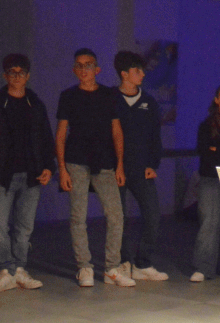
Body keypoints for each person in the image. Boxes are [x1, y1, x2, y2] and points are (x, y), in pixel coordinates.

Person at [0, 53, 55, 293]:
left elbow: (46, 138)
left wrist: (49, 167)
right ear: (5, 75)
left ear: (27, 76)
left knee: (24, 227)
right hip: (2, 174)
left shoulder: (35, 104)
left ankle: (19, 269)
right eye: (12, 72)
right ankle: (4, 270)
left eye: (21, 73)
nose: (16, 77)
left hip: (32, 174)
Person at [56, 48, 134, 288]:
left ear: (97, 69)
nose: (84, 69)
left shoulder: (108, 95)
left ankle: (112, 268)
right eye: (79, 65)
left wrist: (120, 165)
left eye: (88, 65)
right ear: (74, 70)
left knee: (116, 215)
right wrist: (62, 168)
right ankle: (84, 267)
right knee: (78, 216)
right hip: (76, 160)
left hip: (105, 161)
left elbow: (117, 131)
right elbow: (61, 134)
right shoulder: (69, 96)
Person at [113, 50, 168, 282]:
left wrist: (152, 164)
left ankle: (142, 263)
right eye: (138, 71)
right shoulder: (111, 99)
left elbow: (155, 136)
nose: (143, 74)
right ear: (124, 74)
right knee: (119, 218)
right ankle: (123, 263)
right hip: (116, 168)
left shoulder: (149, 102)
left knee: (153, 215)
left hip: (141, 168)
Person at [191, 84, 220, 282]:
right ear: (217, 100)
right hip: (210, 177)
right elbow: (204, 151)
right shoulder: (207, 125)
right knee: (209, 221)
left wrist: (217, 151)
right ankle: (203, 267)